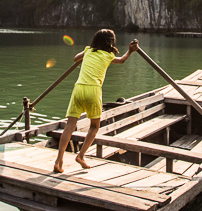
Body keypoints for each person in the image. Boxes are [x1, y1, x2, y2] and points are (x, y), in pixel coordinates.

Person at [53, 29, 139, 173]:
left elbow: (75, 58)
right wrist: (130, 50)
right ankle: (81, 155)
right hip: (93, 91)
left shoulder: (88, 50)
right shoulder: (109, 55)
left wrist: (87, 53)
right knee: (94, 126)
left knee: (70, 125)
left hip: (78, 89)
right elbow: (122, 60)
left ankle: (58, 160)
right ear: (111, 43)